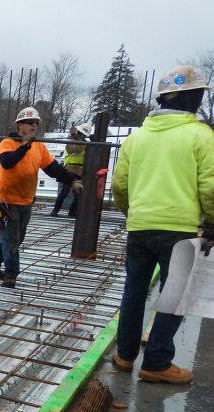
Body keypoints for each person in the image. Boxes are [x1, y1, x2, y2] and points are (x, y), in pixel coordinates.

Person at [111, 65, 214, 385]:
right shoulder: (200, 135)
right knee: (174, 296)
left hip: (140, 227)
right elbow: (210, 186)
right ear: (191, 97)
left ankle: (125, 355)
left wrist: (134, 213)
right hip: (180, 230)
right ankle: (156, 362)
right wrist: (212, 221)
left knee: (134, 290)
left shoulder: (137, 138)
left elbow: (120, 184)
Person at [0, 107, 82, 288]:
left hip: (26, 200)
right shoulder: (8, 143)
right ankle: (11, 274)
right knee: (11, 239)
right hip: (7, 200)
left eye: (36, 123)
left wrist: (72, 180)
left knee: (16, 238)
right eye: (30, 122)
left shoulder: (39, 147)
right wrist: (24, 146)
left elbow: (53, 169)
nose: (34, 126)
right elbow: (7, 162)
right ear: (20, 125)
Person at [51, 122, 93, 217]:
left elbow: (91, 152)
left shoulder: (84, 143)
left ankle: (71, 212)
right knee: (65, 191)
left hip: (79, 170)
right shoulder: (72, 142)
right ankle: (56, 210)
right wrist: (80, 140)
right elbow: (74, 149)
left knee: (78, 193)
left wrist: (91, 141)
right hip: (70, 170)